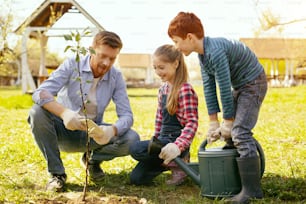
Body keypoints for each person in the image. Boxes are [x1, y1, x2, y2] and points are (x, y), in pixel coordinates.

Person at [167, 12, 267, 203]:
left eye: (177, 41)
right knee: (232, 135)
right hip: (241, 85)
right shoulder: (203, 56)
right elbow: (209, 88)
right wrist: (213, 122)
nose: (176, 47)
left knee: (239, 132)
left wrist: (228, 121)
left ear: (190, 37)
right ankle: (237, 182)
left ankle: (251, 191)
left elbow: (223, 86)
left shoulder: (216, 51)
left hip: (253, 83)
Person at [27, 31, 140, 192]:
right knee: (37, 112)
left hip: (93, 134)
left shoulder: (115, 77)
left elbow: (127, 116)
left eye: (112, 58)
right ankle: (57, 174)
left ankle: (92, 161)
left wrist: (111, 130)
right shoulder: (73, 64)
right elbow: (40, 93)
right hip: (63, 130)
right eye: (103, 56)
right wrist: (64, 113)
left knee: (132, 138)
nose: (106, 63)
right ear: (91, 50)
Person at [129, 44, 198, 186]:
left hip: (175, 141)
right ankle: (169, 162)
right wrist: (155, 142)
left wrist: (178, 146)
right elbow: (159, 119)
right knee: (137, 179)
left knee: (135, 148)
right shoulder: (163, 90)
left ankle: (179, 161)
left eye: (161, 67)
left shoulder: (184, 89)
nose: (157, 72)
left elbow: (192, 123)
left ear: (175, 64)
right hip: (163, 141)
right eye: (155, 68)